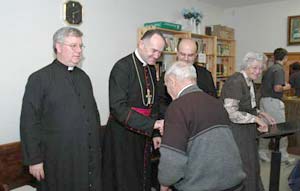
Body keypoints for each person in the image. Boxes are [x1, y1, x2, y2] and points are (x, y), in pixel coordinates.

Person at [20, 27, 102, 191]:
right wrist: (34, 160)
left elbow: (93, 115)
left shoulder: (83, 77)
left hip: (86, 155)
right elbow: (29, 122)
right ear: (58, 47)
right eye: (73, 46)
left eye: (81, 46)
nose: (79, 51)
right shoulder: (39, 78)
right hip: (57, 158)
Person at [158, 61, 245, 191]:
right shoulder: (216, 103)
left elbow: (172, 160)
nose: (168, 90)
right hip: (234, 182)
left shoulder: (177, 107)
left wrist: (164, 184)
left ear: (172, 80)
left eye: (166, 86)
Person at [102, 30, 165, 191]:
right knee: (125, 178)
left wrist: (155, 133)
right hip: (122, 135)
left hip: (143, 133)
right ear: (141, 44)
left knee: (141, 176)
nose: (157, 55)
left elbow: (154, 103)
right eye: (154, 50)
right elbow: (117, 107)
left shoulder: (151, 68)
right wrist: (152, 125)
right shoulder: (122, 67)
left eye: (160, 52)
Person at [221, 52, 275, 191]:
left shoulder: (249, 81)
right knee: (244, 167)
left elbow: (247, 106)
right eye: (255, 68)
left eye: (260, 69)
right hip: (236, 132)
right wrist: (256, 119)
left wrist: (261, 113)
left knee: (252, 166)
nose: (258, 72)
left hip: (246, 131)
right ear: (246, 66)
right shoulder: (235, 81)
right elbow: (231, 112)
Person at [158, 38, 217, 117]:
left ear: (196, 56)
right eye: (182, 54)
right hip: (175, 118)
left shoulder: (205, 75)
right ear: (177, 53)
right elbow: (160, 104)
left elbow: (212, 101)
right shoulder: (168, 75)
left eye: (190, 55)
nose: (186, 59)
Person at [259, 48, 295, 163]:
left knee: (265, 128)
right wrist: (288, 87)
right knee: (281, 129)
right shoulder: (279, 70)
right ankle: (283, 155)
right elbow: (277, 88)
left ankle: (262, 151)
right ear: (285, 58)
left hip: (264, 101)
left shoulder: (269, 69)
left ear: (274, 57)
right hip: (273, 102)